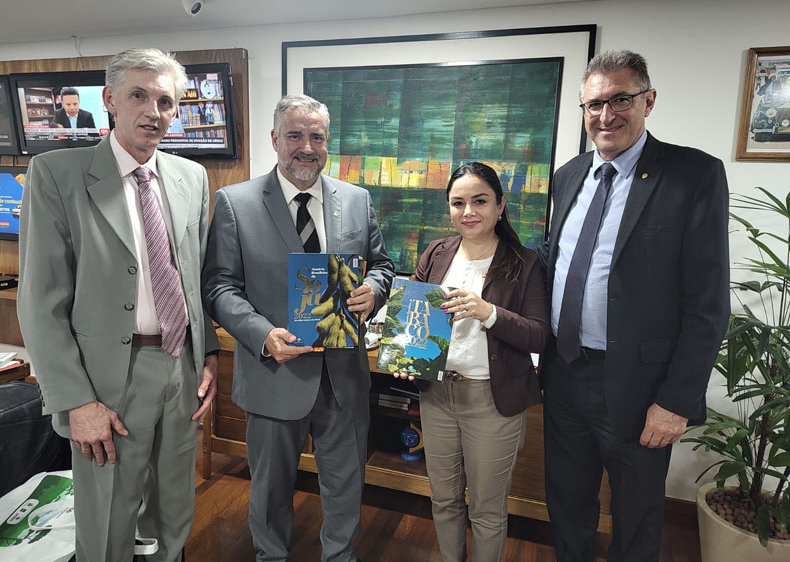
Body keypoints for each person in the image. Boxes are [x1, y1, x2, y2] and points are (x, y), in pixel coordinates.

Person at [17, 48, 220, 562]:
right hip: (107, 379)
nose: (153, 111)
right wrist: (76, 401)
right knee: (108, 515)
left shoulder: (191, 177)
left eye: (165, 102)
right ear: (109, 100)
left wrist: (209, 356)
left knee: (174, 510)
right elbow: (41, 302)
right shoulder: (56, 173)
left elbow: (193, 278)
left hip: (181, 368)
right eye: (138, 96)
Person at [539, 50, 729, 562]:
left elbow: (708, 303)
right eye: (594, 104)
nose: (606, 115)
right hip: (564, 373)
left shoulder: (693, 174)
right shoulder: (568, 175)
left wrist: (677, 402)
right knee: (567, 506)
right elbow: (555, 263)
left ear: (649, 100)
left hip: (640, 388)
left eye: (620, 100)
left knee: (637, 517)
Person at [202, 94, 395, 562]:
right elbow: (219, 287)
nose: (306, 147)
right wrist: (261, 334)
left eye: (316, 137)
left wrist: (373, 289)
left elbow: (383, 265)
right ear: (275, 139)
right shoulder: (236, 203)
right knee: (270, 490)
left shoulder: (356, 200)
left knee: (346, 487)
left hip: (344, 376)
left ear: (327, 142)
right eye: (295, 135)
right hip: (274, 373)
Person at [397, 161, 549, 561]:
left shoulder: (525, 262)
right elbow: (412, 317)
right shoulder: (437, 252)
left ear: (500, 205)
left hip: (491, 402)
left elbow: (539, 333)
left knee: (486, 510)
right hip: (437, 396)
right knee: (444, 499)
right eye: (458, 203)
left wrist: (489, 313)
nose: (468, 212)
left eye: (480, 201)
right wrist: (407, 355)